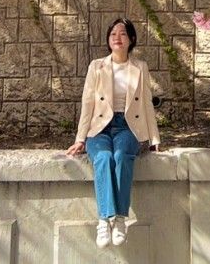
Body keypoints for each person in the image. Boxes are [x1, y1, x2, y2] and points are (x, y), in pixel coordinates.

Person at [65, 17, 161, 248]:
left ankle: (119, 219)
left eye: (123, 34)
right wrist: (80, 139)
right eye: (113, 34)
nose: (117, 38)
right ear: (108, 40)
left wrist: (154, 139)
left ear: (131, 40)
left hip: (127, 127)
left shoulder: (140, 67)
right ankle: (103, 219)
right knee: (103, 158)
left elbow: (147, 103)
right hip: (99, 129)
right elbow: (87, 103)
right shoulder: (97, 66)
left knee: (121, 157)